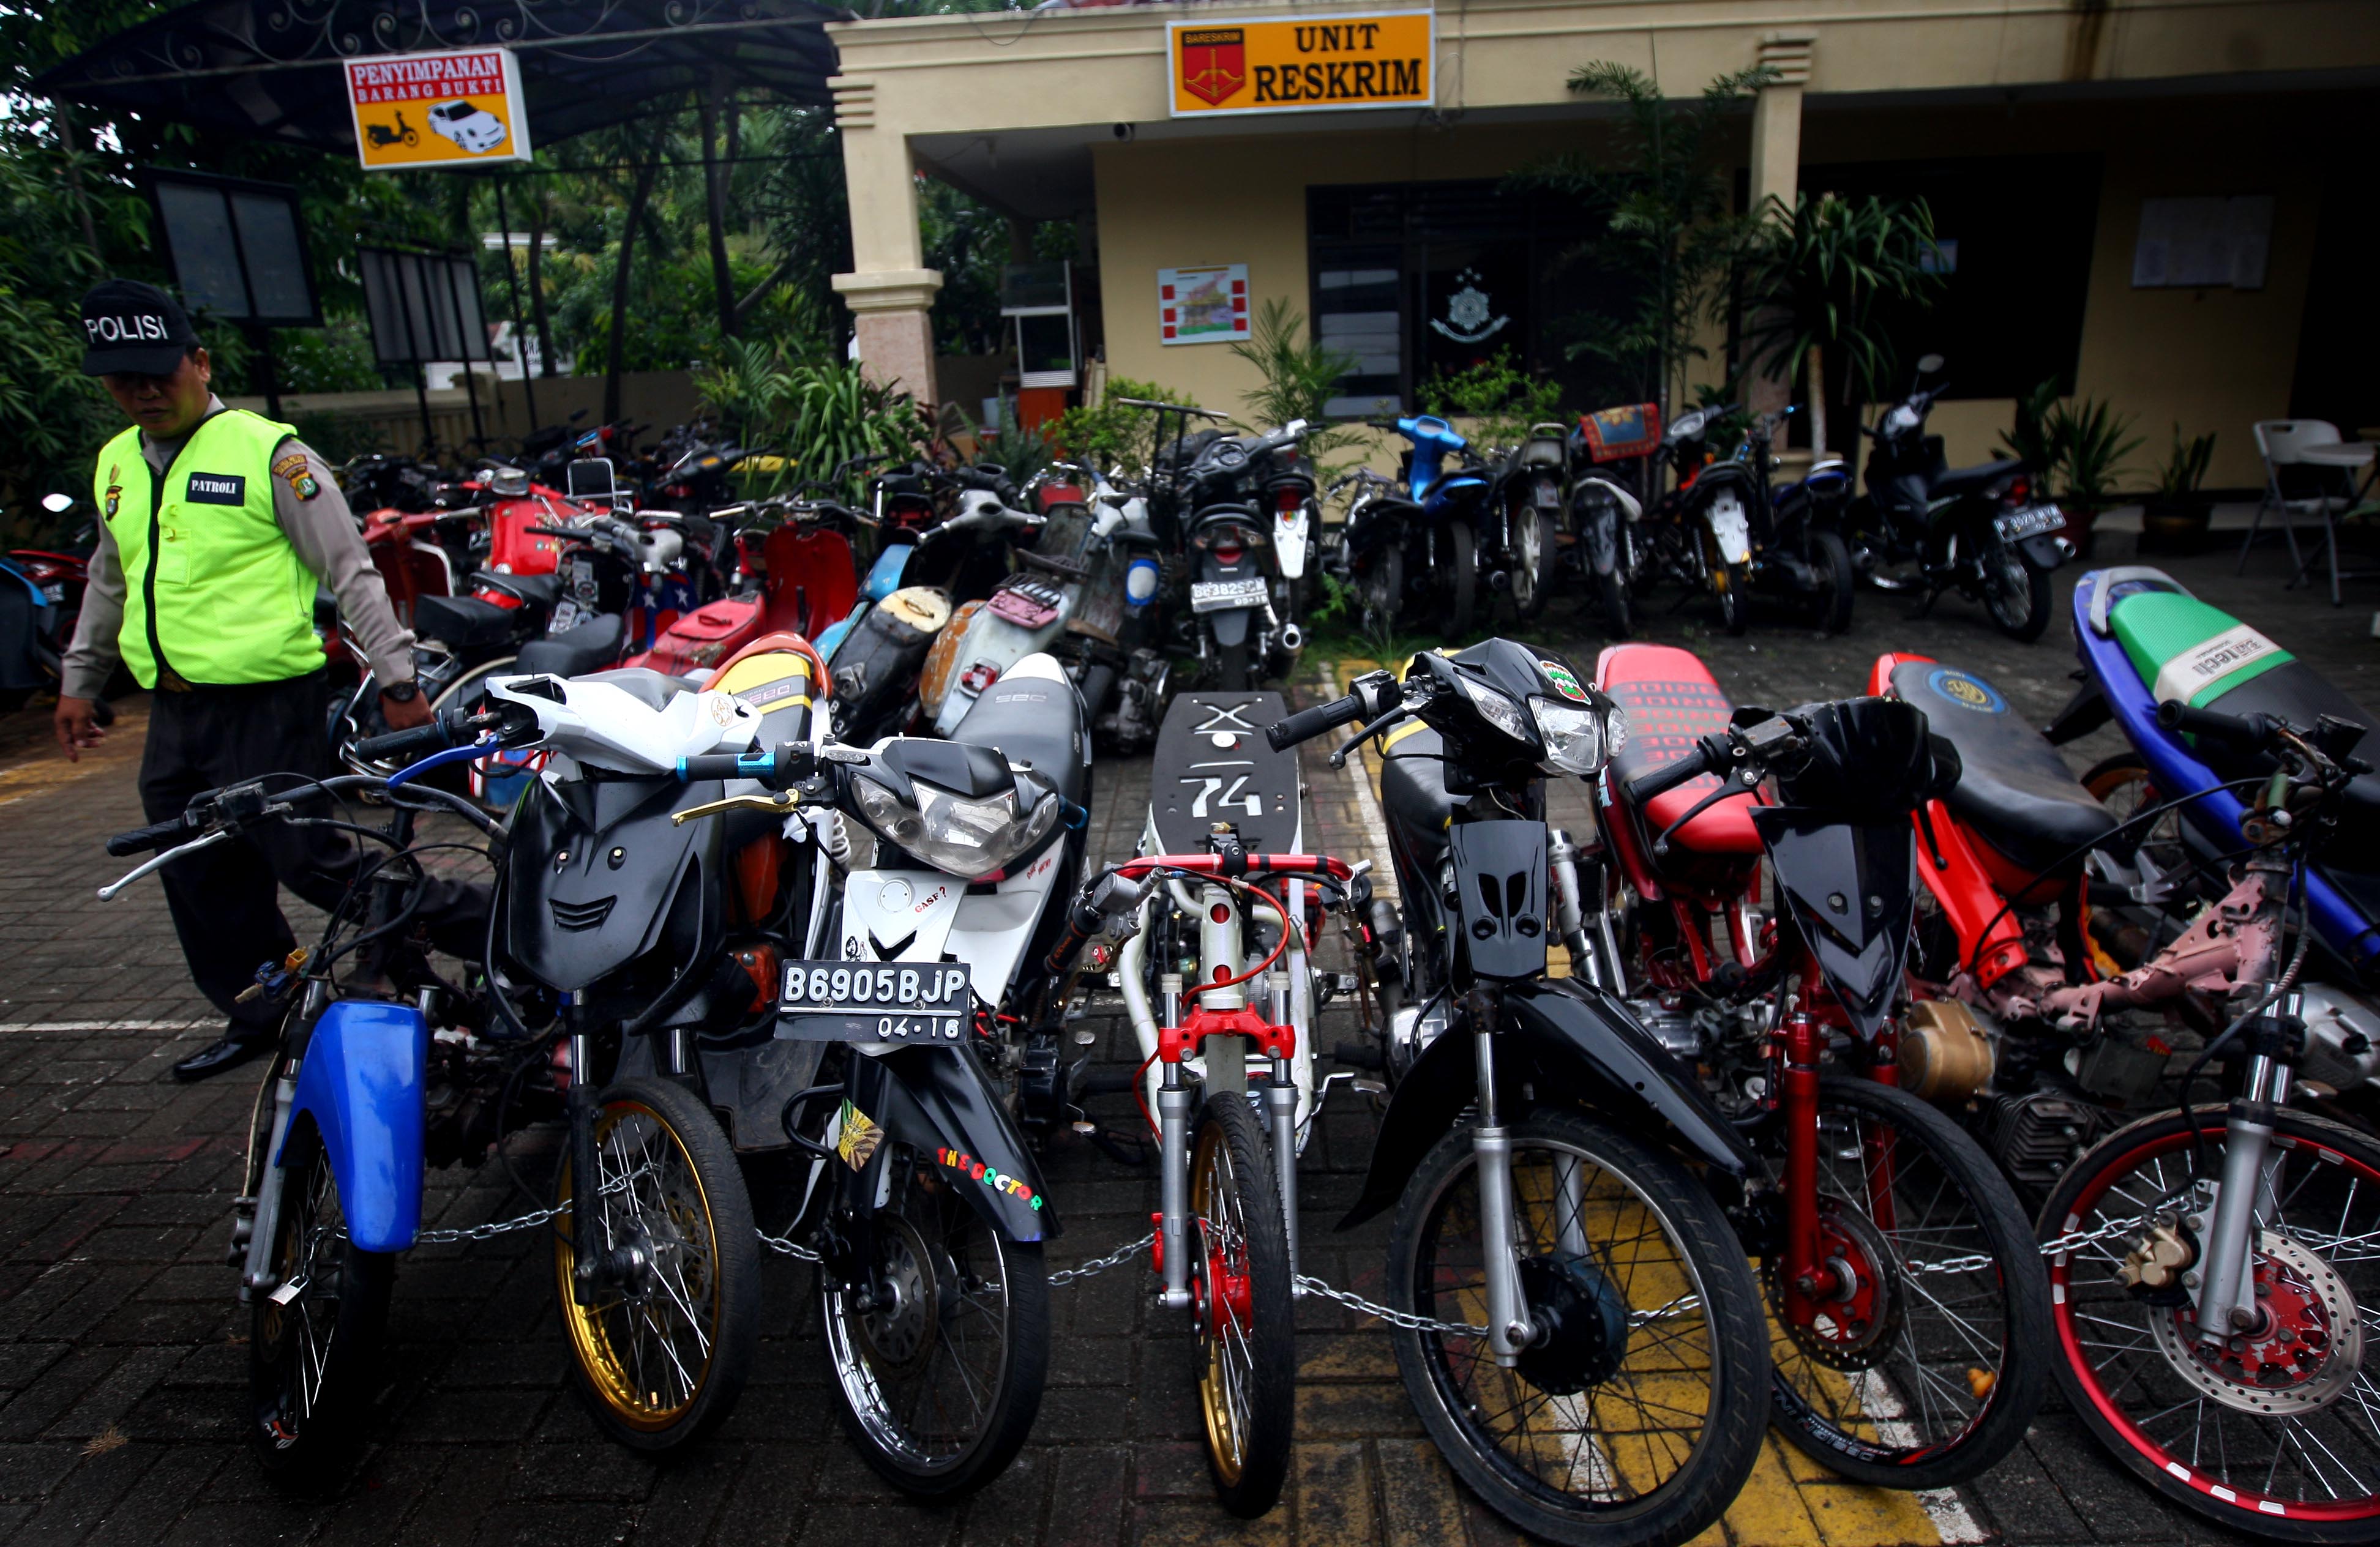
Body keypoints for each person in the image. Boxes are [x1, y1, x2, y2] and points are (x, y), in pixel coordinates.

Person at [53, 280, 483, 1081]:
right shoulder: (116, 465)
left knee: (310, 858)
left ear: (200, 363)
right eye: (124, 380)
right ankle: (261, 1010)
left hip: (267, 705)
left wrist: (397, 678)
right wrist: (80, 681)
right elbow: (109, 580)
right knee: (200, 870)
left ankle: (484, 921)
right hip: (175, 711)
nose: (143, 392)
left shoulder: (271, 454)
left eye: (159, 373)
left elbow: (350, 569)